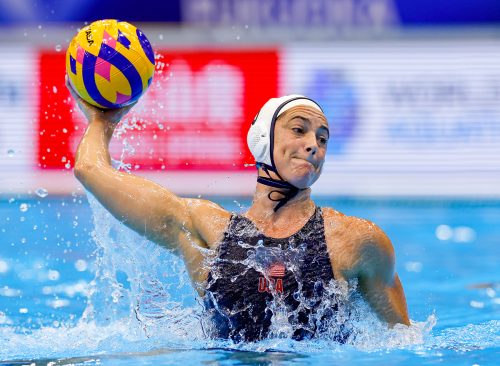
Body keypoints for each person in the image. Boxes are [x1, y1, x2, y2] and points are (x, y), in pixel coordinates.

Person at [68, 82, 410, 343]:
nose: (313, 145)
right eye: (298, 129)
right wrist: (102, 119)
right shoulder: (205, 228)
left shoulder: (356, 240)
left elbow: (404, 341)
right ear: (262, 138)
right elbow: (89, 170)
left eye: (322, 139)